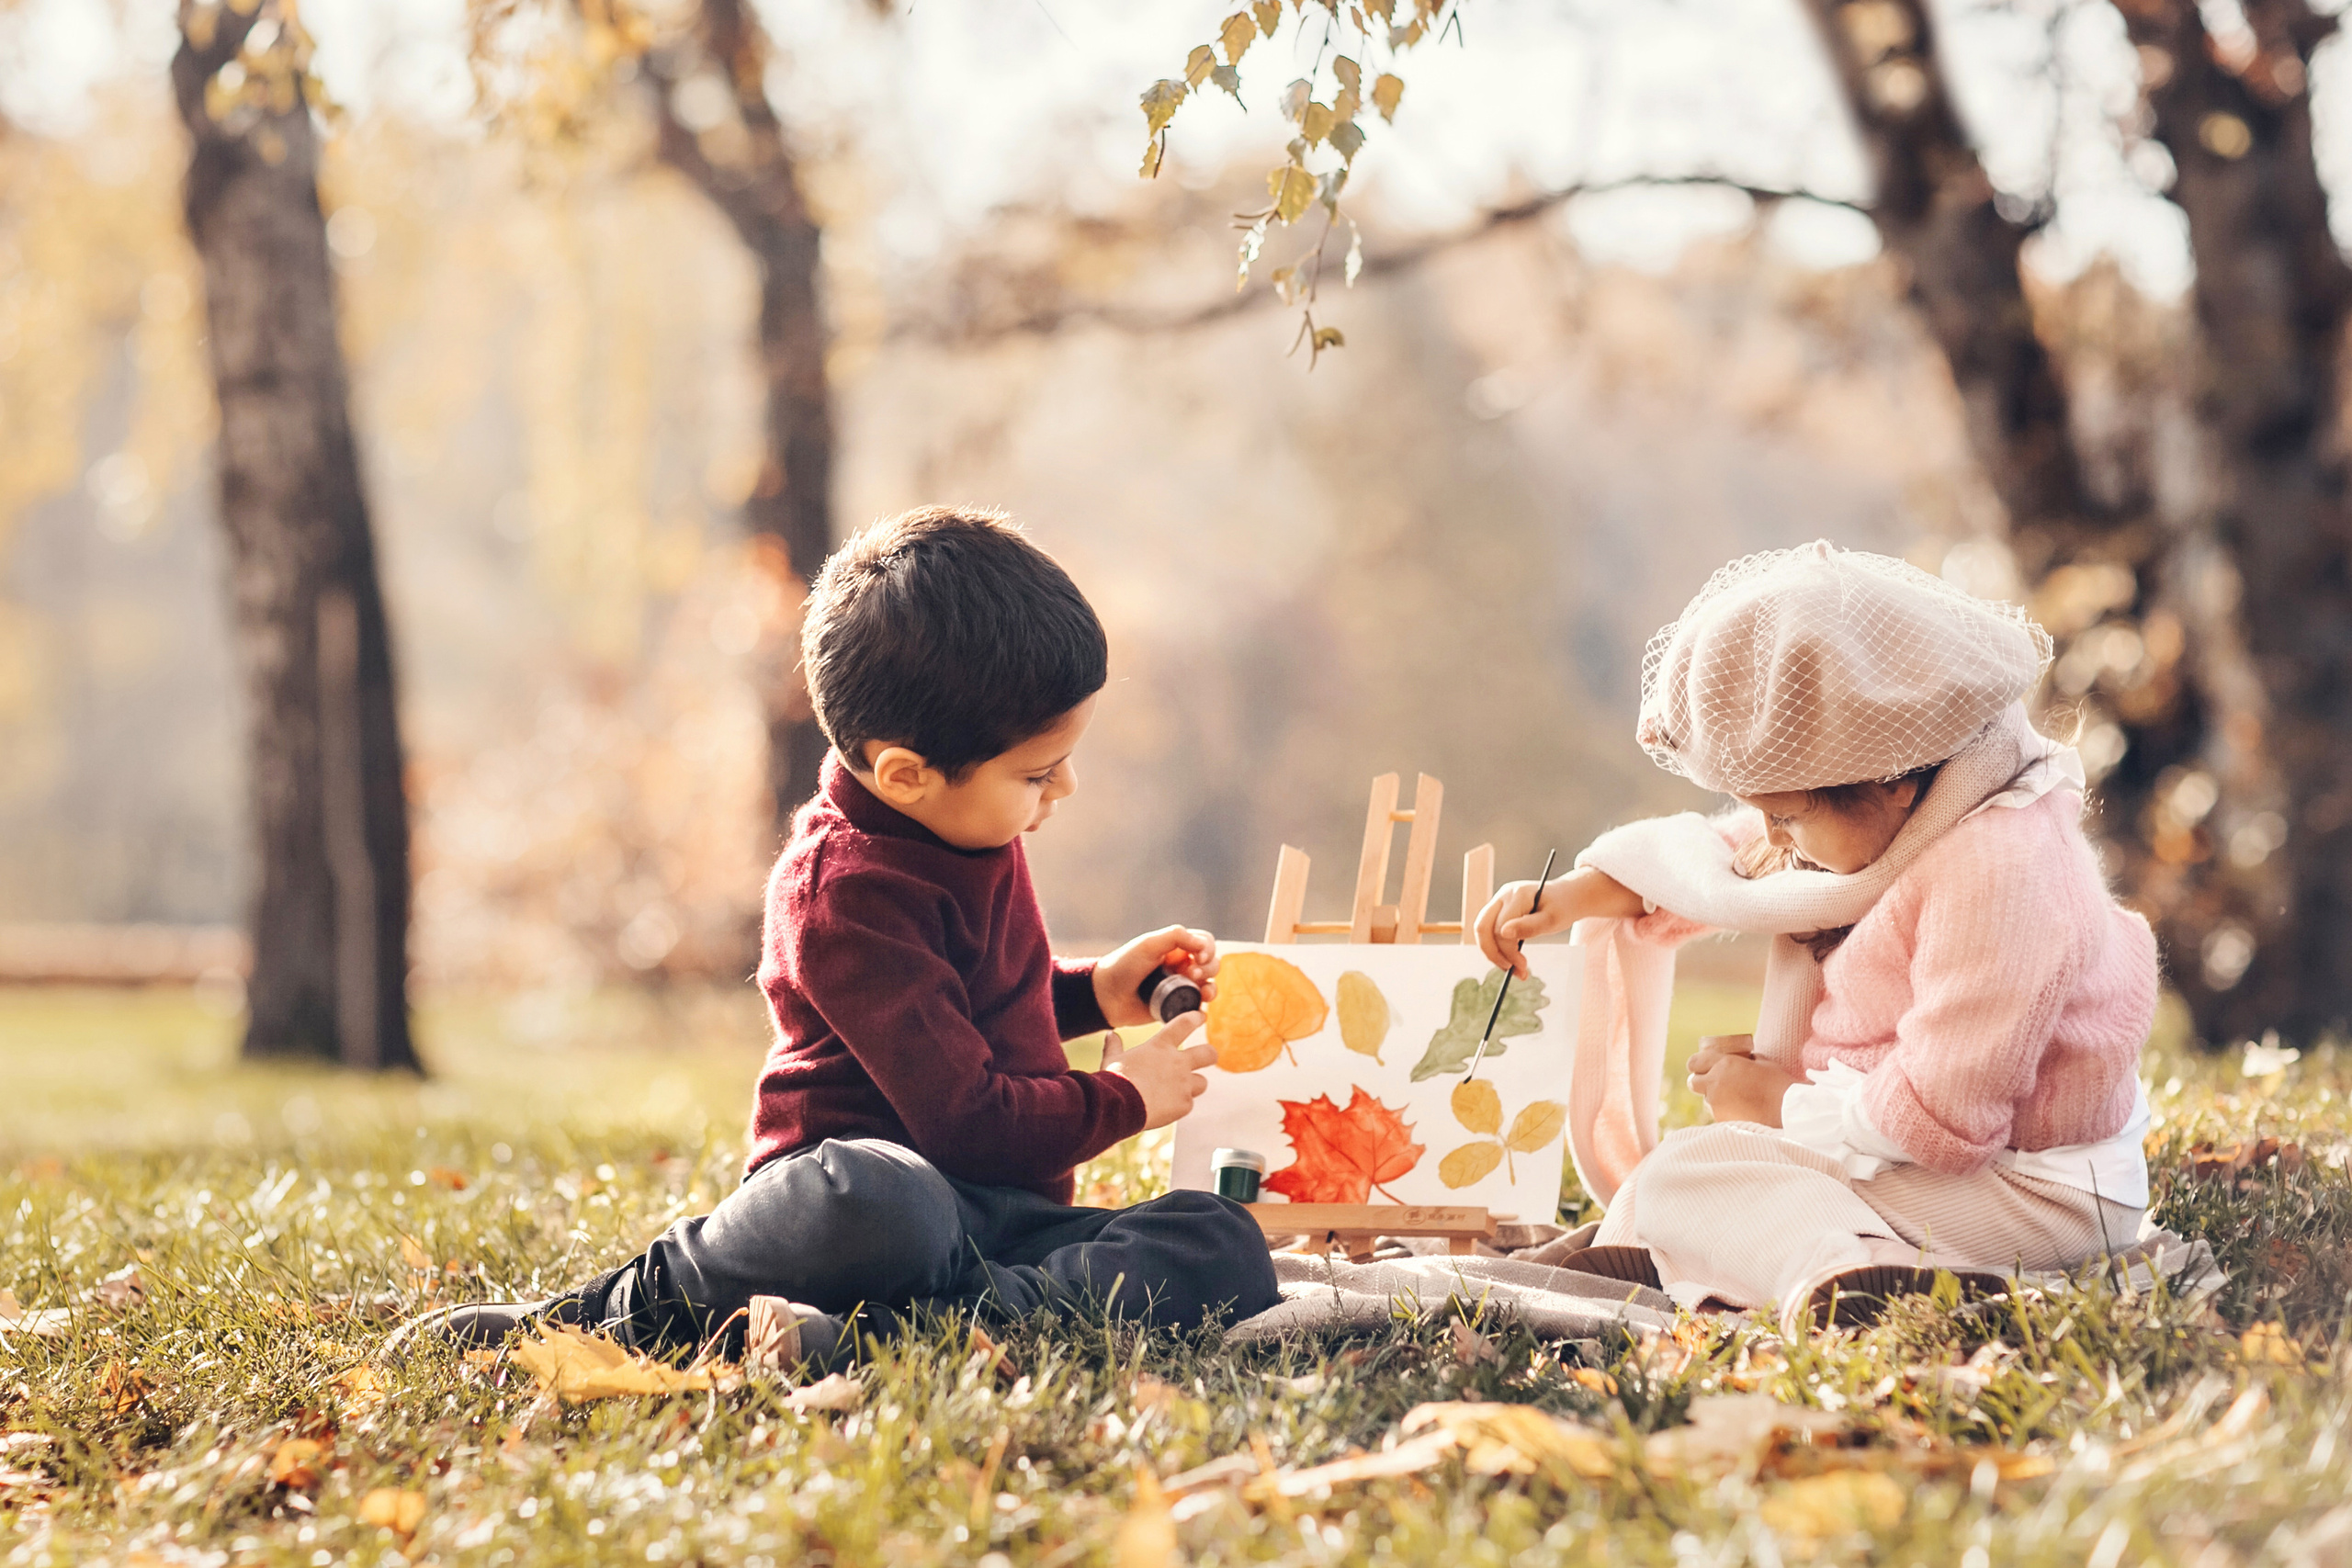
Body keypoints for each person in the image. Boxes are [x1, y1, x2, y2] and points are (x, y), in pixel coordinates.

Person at [391, 506, 1278, 1366]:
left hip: (1005, 1217)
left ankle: (872, 1339)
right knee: (886, 1202)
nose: (1067, 788)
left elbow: (966, 1009)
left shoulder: (975, 826)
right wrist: (1120, 1098)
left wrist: (1092, 993)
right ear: (907, 773)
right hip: (869, 1211)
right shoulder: (842, 893)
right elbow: (964, 1118)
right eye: (1039, 772)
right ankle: (621, 1311)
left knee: (1218, 1241)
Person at [1476, 541, 2159, 1329]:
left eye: (1787, 812)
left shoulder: (2002, 873)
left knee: (1702, 1173)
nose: (1771, 833)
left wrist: (1783, 1102)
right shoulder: (1917, 800)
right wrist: (1583, 894)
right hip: (1928, 1151)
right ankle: (1669, 1243)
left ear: (1890, 777)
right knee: (1700, 1171)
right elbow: (1742, 857)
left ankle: (1851, 1278)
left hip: (2038, 1194)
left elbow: (1948, 1112)